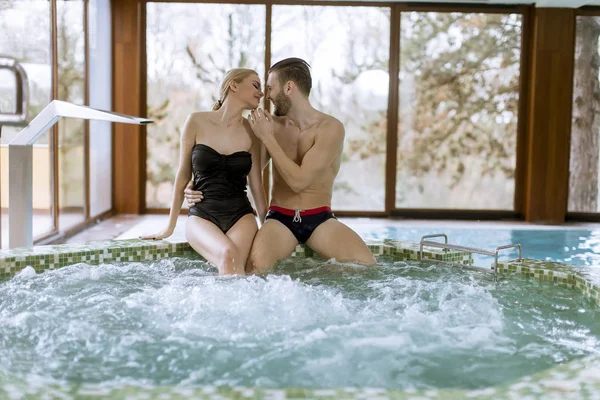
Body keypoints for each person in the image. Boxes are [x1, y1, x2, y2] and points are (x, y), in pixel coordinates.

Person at [185, 58, 376, 273]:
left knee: (368, 267)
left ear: (289, 87)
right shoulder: (270, 126)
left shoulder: (330, 128)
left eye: (270, 87)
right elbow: (242, 167)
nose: (266, 95)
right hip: (280, 219)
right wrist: (195, 182)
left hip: (319, 218)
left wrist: (268, 138)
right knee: (254, 271)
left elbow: (299, 181)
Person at [141, 68, 267, 275]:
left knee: (234, 266)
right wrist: (169, 227)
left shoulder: (252, 131)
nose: (261, 93)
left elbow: (256, 186)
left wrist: (267, 228)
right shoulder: (196, 121)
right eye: (256, 85)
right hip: (203, 215)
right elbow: (183, 176)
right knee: (228, 255)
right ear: (234, 85)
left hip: (241, 215)